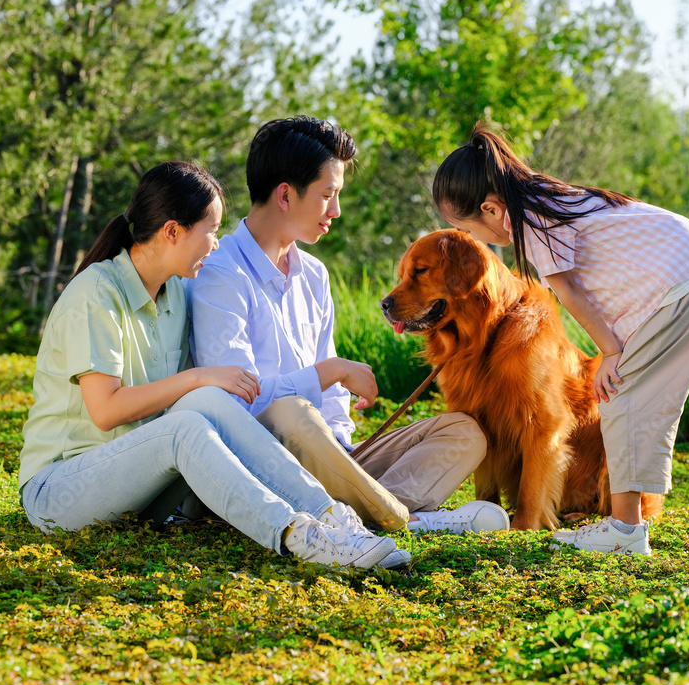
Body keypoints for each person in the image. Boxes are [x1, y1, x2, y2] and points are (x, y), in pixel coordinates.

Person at [18, 160, 401, 570]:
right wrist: (198, 376)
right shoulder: (97, 293)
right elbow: (107, 410)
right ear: (172, 232)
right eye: (211, 232)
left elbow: (196, 404)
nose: (217, 245)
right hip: (58, 491)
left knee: (211, 402)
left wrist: (203, 386)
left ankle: (331, 517)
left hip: (142, 485)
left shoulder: (176, 294)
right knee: (190, 415)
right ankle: (299, 536)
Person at [187, 116, 508, 537]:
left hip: (333, 459)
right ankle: (407, 519)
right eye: (327, 196)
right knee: (291, 412)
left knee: (464, 430)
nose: (336, 211)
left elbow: (332, 398)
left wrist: (341, 447)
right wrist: (332, 372)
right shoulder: (221, 274)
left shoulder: (314, 275)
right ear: (285, 195)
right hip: (264, 462)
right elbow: (235, 405)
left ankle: (355, 511)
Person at [432, 122, 689, 556]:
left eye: (470, 228)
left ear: (492, 209)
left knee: (619, 391)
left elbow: (569, 293)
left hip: (685, 280)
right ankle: (627, 524)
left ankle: (625, 531)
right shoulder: (548, 197)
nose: (476, 241)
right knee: (641, 398)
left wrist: (611, 352)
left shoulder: (532, 224)